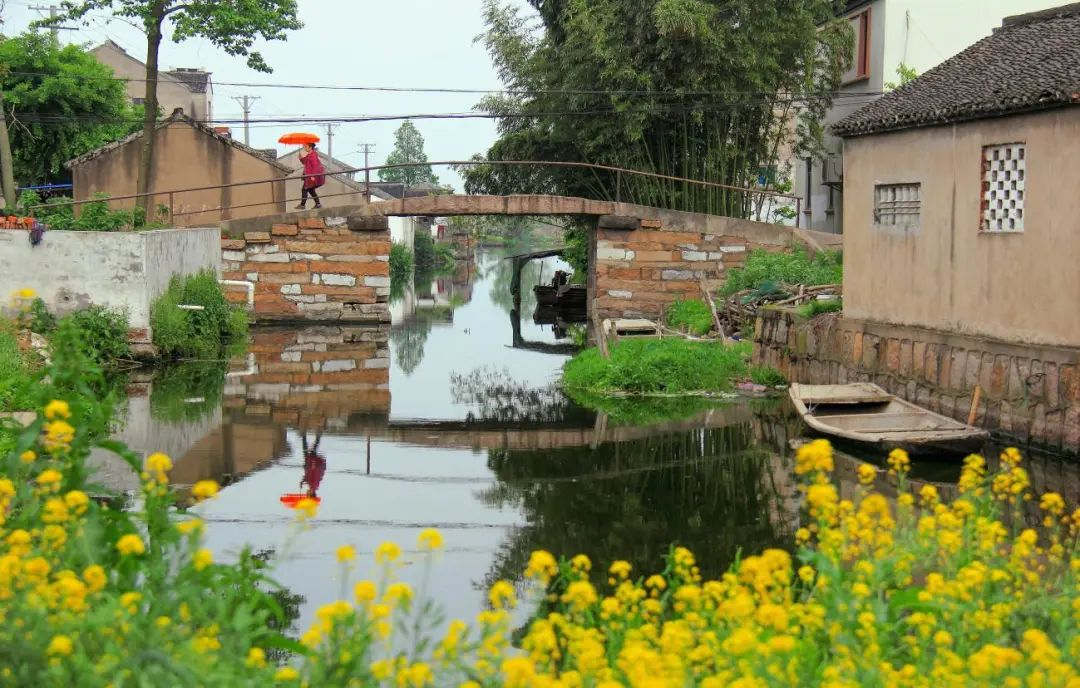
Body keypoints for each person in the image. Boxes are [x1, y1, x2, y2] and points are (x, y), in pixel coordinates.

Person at [296, 143, 326, 210]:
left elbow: (315, 166)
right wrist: (300, 158)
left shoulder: (313, 155)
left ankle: (302, 205)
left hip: (311, 176)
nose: (305, 148)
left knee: (305, 189)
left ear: (310, 147)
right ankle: (318, 204)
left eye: (306, 146)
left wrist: (313, 176)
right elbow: (305, 161)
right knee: (311, 190)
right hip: (310, 176)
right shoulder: (310, 155)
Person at [300, 433, 327, 498]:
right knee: (309, 450)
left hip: (309, 464)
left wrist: (302, 481)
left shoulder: (313, 486)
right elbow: (315, 474)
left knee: (308, 450)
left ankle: (308, 435)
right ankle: (313, 435)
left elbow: (308, 477)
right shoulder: (313, 485)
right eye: (307, 495)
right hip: (312, 463)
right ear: (311, 493)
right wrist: (313, 463)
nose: (306, 493)